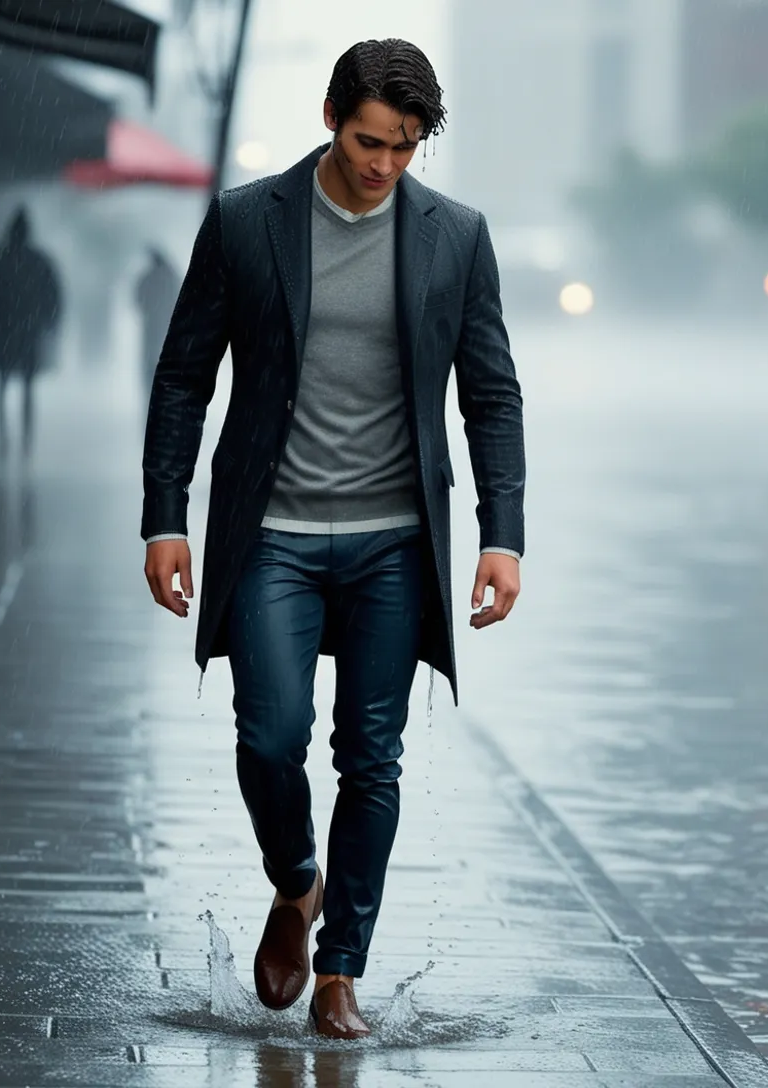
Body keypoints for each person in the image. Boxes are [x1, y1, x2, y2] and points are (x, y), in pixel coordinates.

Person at [140, 39, 525, 1039]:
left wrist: (503, 535)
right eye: (367, 140)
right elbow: (185, 375)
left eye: (403, 147)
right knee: (269, 736)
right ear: (329, 114)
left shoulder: (456, 237)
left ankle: (342, 968)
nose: (382, 165)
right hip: (272, 532)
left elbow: (490, 393)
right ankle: (296, 879)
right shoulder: (242, 222)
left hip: (396, 542)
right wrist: (164, 516)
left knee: (372, 752)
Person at [0, 207, 62, 457]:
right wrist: (49, 324)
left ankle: (3, 439)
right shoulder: (39, 261)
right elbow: (53, 298)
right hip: (28, 332)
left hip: (2, 331)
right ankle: (26, 441)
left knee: (2, 386)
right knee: (27, 388)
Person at [135, 248, 182, 394]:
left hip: (152, 329)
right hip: (170, 331)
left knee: (150, 366)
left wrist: (149, 310)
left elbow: (137, 298)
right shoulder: (173, 277)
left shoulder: (148, 277)